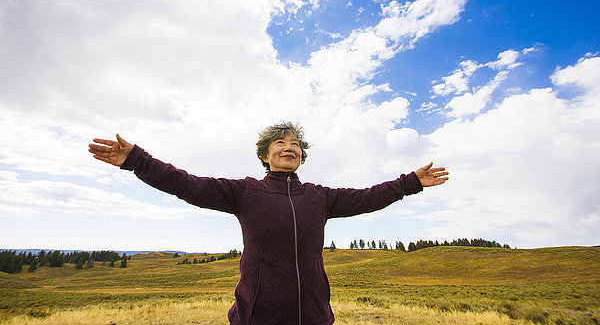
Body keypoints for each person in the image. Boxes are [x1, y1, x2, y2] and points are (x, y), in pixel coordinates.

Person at [88, 122, 448, 325]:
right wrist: (138, 160)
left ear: (301, 157)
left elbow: (369, 196)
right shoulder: (244, 193)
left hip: (315, 317)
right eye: (280, 143)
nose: (289, 147)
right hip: (257, 318)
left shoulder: (320, 197)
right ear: (265, 155)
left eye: (295, 145)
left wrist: (410, 182)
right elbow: (187, 184)